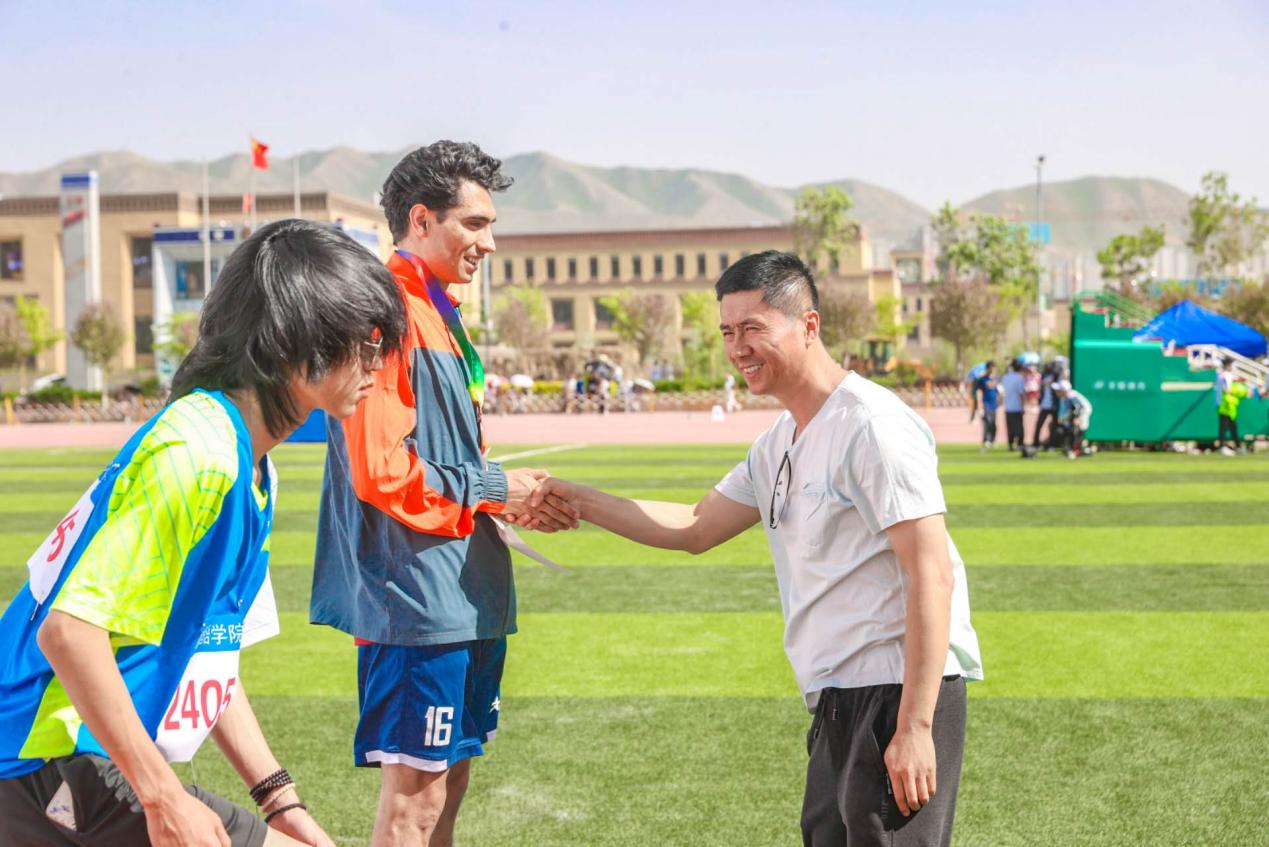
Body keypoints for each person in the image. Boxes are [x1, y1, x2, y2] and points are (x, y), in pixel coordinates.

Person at [526, 251, 982, 847]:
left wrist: (916, 726)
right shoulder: (778, 443)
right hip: (836, 698)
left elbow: (931, 572)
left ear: (809, 326)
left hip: (895, 691)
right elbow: (695, 526)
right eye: (726, 332)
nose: (737, 347)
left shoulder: (871, 425)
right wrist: (575, 499)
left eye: (752, 328)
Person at [0, 219, 408, 847]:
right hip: (49, 758)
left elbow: (207, 652)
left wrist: (279, 799)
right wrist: (163, 796)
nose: (379, 363)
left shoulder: (244, 459)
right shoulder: (199, 453)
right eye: (369, 339)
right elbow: (69, 631)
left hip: (69, 761)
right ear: (296, 338)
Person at [310, 141, 574, 847]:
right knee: (415, 803)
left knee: (448, 788)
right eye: (475, 224)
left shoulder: (438, 311)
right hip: (416, 601)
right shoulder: (383, 314)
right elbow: (380, 470)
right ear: (421, 219)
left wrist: (504, 498)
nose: (489, 242)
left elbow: (445, 456)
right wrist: (492, 485)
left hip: (462, 591)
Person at [972, 361, 1000, 449]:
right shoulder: (982, 379)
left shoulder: (996, 379)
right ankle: (986, 440)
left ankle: (992, 440)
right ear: (988, 368)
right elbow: (979, 392)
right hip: (986, 403)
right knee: (987, 422)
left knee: (993, 423)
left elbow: (998, 392)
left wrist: (1000, 402)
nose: (993, 370)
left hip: (994, 404)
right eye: (991, 368)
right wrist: (980, 405)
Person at [1000, 359, 1026, 451]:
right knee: (1019, 427)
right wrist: (1022, 406)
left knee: (1010, 427)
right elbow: (1021, 394)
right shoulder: (1019, 378)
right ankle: (1020, 444)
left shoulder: (1005, 377)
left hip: (1008, 406)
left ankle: (1010, 445)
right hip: (1017, 406)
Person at [1031, 363, 1058, 450]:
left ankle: (1052, 444)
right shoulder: (1043, 376)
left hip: (1053, 405)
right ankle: (1036, 443)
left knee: (1054, 426)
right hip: (1044, 405)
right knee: (1039, 424)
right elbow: (1041, 390)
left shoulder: (1056, 376)